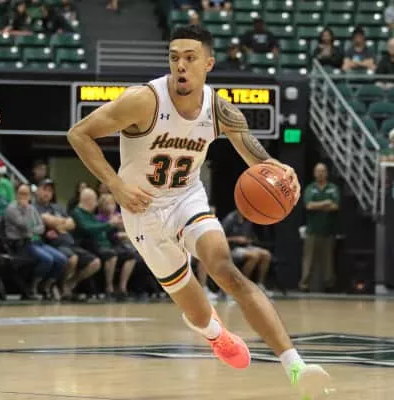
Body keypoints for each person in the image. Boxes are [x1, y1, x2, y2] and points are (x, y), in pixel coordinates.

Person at [67, 24, 331, 398]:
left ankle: (295, 366)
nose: (181, 65)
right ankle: (214, 333)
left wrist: (279, 170)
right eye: (174, 57)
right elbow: (79, 134)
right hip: (142, 212)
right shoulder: (144, 100)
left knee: (226, 270)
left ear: (208, 63)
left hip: (186, 199)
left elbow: (256, 156)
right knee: (198, 312)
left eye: (190, 58)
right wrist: (116, 185)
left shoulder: (219, 110)